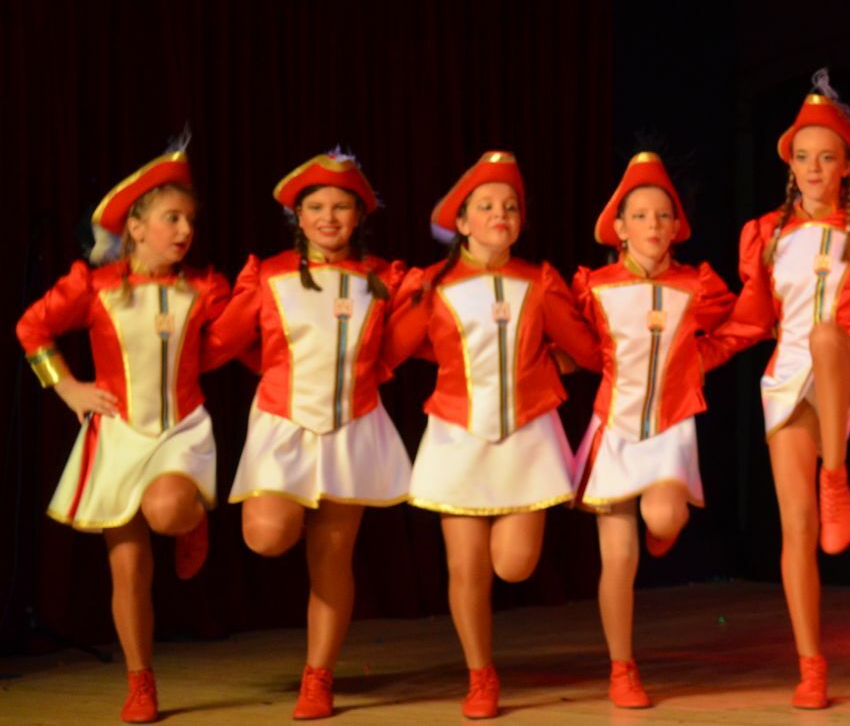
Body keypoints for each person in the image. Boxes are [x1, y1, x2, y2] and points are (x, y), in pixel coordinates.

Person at [710, 76, 850, 709]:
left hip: (849, 360)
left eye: (827, 157)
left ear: (849, 165)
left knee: (826, 336)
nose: (814, 169)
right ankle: (811, 665)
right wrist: (695, 356)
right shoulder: (766, 234)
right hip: (788, 376)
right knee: (796, 528)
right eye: (804, 157)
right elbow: (749, 321)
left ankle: (836, 474)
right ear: (791, 166)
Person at [16, 142, 232, 724]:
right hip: (118, 434)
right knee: (129, 568)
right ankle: (141, 681)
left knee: (167, 510)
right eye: (172, 218)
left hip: (182, 429)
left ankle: (190, 517)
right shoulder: (95, 286)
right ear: (135, 227)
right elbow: (31, 328)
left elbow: (234, 339)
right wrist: (67, 388)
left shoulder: (205, 287)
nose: (185, 230)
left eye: (190, 220)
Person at [382, 151, 601, 719]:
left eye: (510, 207)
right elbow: (389, 352)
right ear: (462, 222)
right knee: (466, 568)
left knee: (515, 565)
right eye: (486, 206)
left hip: (528, 437)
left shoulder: (539, 280)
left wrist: (552, 364)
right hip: (457, 436)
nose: (500, 214)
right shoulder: (433, 284)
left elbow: (588, 351)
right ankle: (480, 675)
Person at [210, 152, 412, 721]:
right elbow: (222, 342)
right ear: (297, 216)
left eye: (341, 207)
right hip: (283, 422)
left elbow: (409, 343)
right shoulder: (268, 275)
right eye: (317, 206)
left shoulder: (383, 278)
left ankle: (318, 676)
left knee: (332, 558)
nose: (328, 217)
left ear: (359, 216)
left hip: (353, 424)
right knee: (267, 536)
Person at [571, 152, 736, 709]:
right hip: (614, 427)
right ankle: (622, 667)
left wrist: (700, 361)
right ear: (619, 228)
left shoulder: (696, 286)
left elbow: (736, 327)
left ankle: (662, 526)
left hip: (669, 427)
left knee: (663, 516)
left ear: (676, 226)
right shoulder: (594, 287)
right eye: (640, 216)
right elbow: (574, 343)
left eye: (664, 215)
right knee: (618, 559)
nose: (654, 225)